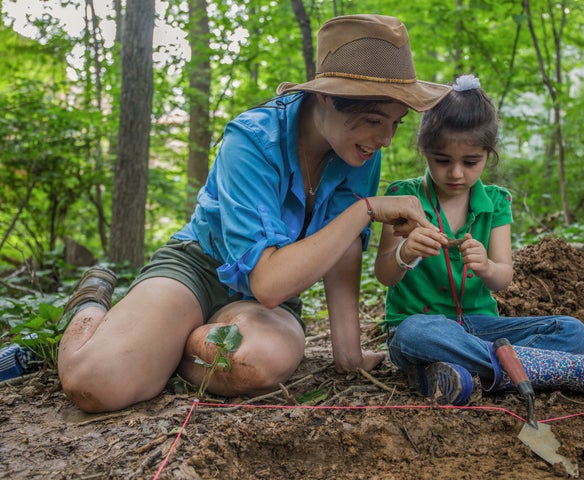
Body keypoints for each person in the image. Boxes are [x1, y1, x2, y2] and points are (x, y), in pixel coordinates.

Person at [55, 14, 453, 413]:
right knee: (94, 382)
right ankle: (91, 304)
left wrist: (348, 355)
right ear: (326, 97)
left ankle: (169, 341)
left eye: (396, 125)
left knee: (254, 363)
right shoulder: (251, 140)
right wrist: (367, 210)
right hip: (199, 269)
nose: (384, 139)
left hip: (265, 308)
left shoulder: (360, 151)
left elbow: (342, 250)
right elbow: (268, 281)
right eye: (373, 120)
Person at [373, 74, 584, 406]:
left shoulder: (496, 202)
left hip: (480, 327)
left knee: (571, 331)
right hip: (423, 326)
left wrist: (486, 266)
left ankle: (444, 372)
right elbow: (384, 274)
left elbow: (502, 278)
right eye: (442, 161)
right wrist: (405, 252)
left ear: (488, 156)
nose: (456, 174)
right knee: (414, 334)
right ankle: (546, 370)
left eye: (471, 162)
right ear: (425, 152)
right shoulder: (403, 196)